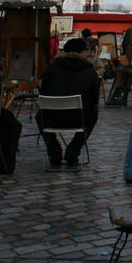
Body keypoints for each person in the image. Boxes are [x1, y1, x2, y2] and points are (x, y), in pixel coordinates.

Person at [37, 38, 100, 167]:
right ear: (81, 52)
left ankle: (54, 151)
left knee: (40, 115)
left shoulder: (52, 69)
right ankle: (73, 151)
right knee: (93, 114)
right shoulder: (89, 71)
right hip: (78, 118)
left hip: (51, 118)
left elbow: (43, 92)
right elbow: (94, 100)